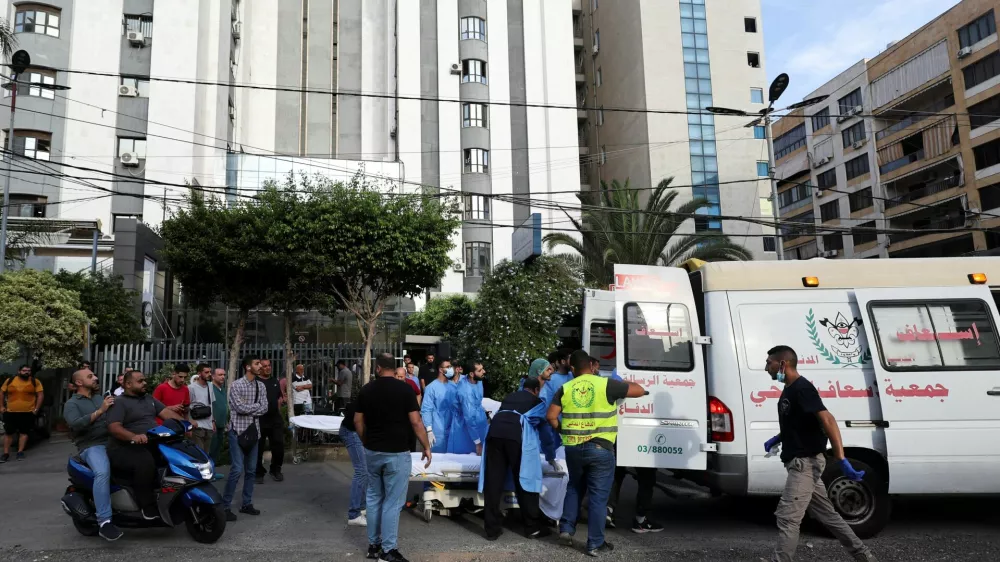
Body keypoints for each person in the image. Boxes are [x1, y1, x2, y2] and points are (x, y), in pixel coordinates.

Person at [763, 346, 878, 562]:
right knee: (829, 516)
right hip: (803, 463)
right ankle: (864, 556)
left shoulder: (802, 388)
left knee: (788, 518)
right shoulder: (789, 389)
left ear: (782, 364)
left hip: (805, 464)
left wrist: (841, 458)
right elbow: (799, 424)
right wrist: (778, 439)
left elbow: (828, 420)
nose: (766, 367)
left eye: (769, 362)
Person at [547, 350, 646, 557]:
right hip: (600, 449)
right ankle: (595, 543)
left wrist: (564, 431)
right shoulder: (605, 384)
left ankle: (566, 530)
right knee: (598, 497)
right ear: (591, 366)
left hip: (573, 448)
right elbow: (638, 391)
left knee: (574, 487)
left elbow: (551, 416)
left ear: (572, 369)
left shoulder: (565, 388)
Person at [355, 353, 432, 562]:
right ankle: (388, 551)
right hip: (397, 452)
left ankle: (373, 546)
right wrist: (426, 446)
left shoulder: (367, 390)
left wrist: (365, 441)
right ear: (394, 367)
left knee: (373, 498)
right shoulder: (405, 390)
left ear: (378, 368)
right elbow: (416, 422)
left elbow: (358, 421)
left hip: (373, 451)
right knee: (393, 502)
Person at [480, 378, 558, 540]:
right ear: (536, 390)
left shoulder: (510, 397)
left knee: (493, 481)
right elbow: (546, 434)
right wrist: (550, 456)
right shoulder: (538, 402)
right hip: (515, 434)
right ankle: (532, 528)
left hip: (494, 432)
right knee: (525, 478)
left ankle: (492, 529)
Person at [105, 370, 185, 520]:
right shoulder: (119, 402)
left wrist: (186, 423)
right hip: (123, 448)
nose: (145, 383)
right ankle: (147, 507)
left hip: (150, 443)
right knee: (145, 462)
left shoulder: (149, 399)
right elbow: (114, 427)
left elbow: (166, 413)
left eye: (144, 380)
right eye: (140, 381)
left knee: (174, 456)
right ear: (128, 384)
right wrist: (134, 436)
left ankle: (172, 496)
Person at [63, 368, 122, 541]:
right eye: (90, 376)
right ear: (79, 383)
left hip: (113, 441)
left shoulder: (99, 398)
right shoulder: (72, 404)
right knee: (102, 472)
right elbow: (75, 425)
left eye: (94, 375)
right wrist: (100, 411)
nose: (96, 377)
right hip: (92, 445)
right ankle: (105, 522)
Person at [224, 355, 269, 521]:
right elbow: (239, 408)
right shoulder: (236, 385)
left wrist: (249, 408)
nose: (260, 366)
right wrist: (253, 408)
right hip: (237, 431)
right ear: (248, 367)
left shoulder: (261, 386)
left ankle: (246, 504)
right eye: (257, 364)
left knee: (251, 471)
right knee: (236, 469)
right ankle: (225, 506)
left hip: (254, 432)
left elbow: (265, 408)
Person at [0, 364, 43, 462]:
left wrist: (36, 409)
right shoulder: (9, 381)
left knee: (24, 432)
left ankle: (20, 452)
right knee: (8, 433)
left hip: (27, 412)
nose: (27, 372)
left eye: (28, 371)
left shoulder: (35, 382)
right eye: (24, 370)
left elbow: (40, 395)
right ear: (19, 371)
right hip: (11, 412)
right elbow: (1, 393)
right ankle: (6, 453)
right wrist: (1, 406)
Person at [255, 358, 285, 483]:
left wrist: (279, 413)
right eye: (264, 366)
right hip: (260, 419)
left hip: (274, 419)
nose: (267, 368)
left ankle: (276, 469)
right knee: (258, 447)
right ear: (260, 368)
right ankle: (258, 472)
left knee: (278, 445)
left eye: (269, 366)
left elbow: (279, 398)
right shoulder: (256, 382)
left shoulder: (274, 381)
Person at [448, 362, 488, 455]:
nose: (484, 371)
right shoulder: (465, 392)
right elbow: (469, 417)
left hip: (479, 418)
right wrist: (477, 443)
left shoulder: (478, 380)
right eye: (480, 370)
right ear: (471, 374)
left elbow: (477, 401)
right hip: (466, 424)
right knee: (469, 453)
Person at [340, 397, 367, 527]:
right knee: (361, 470)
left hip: (355, 429)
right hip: (352, 431)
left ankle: (362, 507)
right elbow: (356, 419)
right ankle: (354, 515)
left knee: (365, 470)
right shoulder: (376, 393)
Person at [420, 358, 457, 453]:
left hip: (453, 428)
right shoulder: (431, 388)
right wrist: (429, 430)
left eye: (451, 367)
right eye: (448, 367)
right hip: (438, 430)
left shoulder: (454, 386)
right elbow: (426, 410)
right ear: (440, 369)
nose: (450, 369)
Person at [187, 363, 215, 453]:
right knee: (199, 455)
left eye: (210, 372)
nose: (209, 374)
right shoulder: (191, 388)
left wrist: (213, 421)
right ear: (199, 373)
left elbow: (211, 404)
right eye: (206, 372)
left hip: (209, 426)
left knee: (206, 455)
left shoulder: (210, 386)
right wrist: (190, 422)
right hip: (197, 425)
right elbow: (187, 406)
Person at [209, 368, 228, 471]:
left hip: (221, 424)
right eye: (220, 375)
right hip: (213, 425)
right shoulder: (210, 388)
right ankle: (209, 473)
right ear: (213, 376)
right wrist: (212, 421)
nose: (223, 377)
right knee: (211, 449)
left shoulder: (222, 389)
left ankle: (213, 471)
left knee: (217, 449)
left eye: (224, 375)